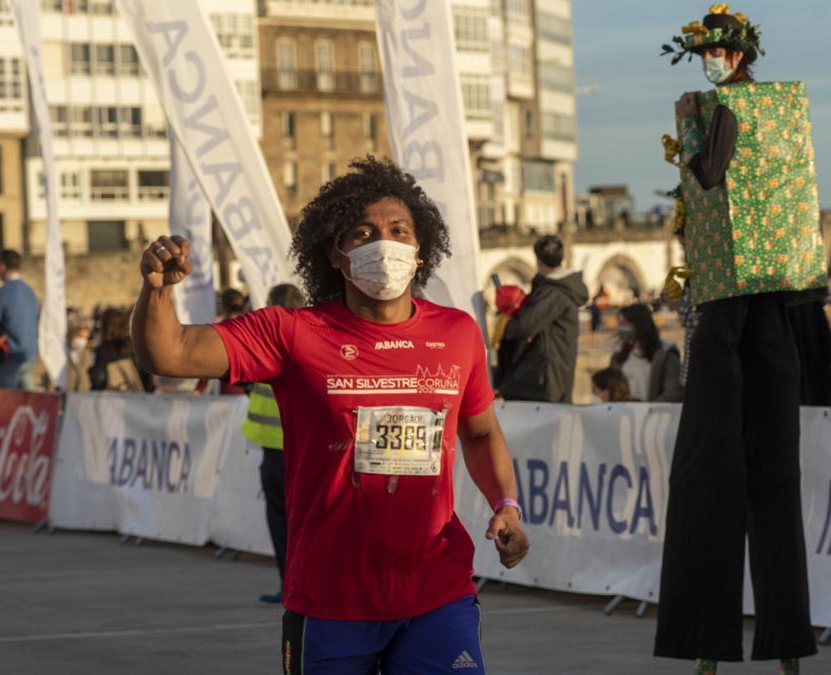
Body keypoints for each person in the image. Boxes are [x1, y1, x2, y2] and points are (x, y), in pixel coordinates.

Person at [130, 156, 527, 673]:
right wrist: (157, 289)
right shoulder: (291, 333)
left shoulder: (458, 333)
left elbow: (480, 431)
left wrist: (507, 504)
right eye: (362, 233)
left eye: (398, 230)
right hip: (330, 600)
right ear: (335, 255)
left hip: (436, 591)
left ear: (420, 250)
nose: (383, 243)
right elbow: (172, 354)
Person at [656, 6, 822, 673]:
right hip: (764, 304)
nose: (712, 61)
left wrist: (699, 116)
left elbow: (710, 171)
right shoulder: (772, 114)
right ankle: (766, 643)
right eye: (708, 52)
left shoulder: (727, 110)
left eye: (721, 52)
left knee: (721, 475)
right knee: (762, 476)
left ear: (738, 55)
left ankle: (727, 643)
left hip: (739, 310)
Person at [240, 282, 306, 605]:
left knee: (283, 525)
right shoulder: (308, 338)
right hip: (301, 450)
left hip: (279, 452)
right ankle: (299, 587)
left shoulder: (268, 342)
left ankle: (291, 587)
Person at [495, 235, 589, 403]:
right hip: (553, 378)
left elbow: (524, 326)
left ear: (538, 260)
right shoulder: (560, 289)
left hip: (544, 380)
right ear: (563, 257)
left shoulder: (554, 292)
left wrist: (508, 317)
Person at [0, 249, 39, 390]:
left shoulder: (1, 295)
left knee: (6, 405)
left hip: (7, 358)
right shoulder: (31, 293)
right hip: (29, 356)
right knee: (29, 403)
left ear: (2, 266)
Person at [610, 303, 682, 402]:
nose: (621, 328)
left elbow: (673, 393)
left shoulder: (665, 356)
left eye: (625, 323)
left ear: (640, 324)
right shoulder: (618, 356)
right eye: (620, 323)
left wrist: (646, 409)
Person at [89, 308, 147, 392]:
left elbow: (99, 380)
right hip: (136, 396)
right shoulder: (134, 347)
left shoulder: (104, 350)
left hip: (112, 398)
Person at [65, 322, 93, 392]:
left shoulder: (88, 351)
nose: (82, 340)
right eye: (80, 337)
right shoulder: (66, 351)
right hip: (69, 388)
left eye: (85, 338)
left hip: (82, 389)